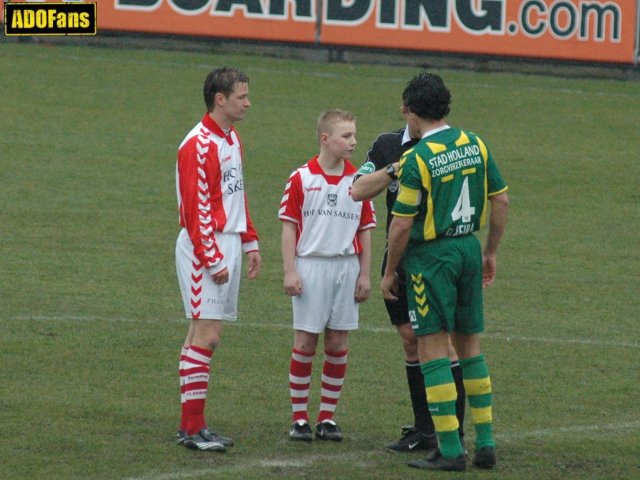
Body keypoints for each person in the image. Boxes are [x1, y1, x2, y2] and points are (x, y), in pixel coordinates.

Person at [380, 72, 509, 472]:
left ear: (414, 112)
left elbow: (401, 224)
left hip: (431, 257)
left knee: (432, 349)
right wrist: (489, 252)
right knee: (470, 346)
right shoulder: (476, 143)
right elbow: (501, 201)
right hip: (469, 249)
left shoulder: (416, 158)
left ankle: (451, 450)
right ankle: (485, 443)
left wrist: (389, 272)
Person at [352, 121, 467, 452]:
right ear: (406, 110)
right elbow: (358, 188)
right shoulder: (387, 145)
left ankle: (453, 434)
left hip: (435, 258)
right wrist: (396, 169)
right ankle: (424, 428)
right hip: (399, 258)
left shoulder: (450, 148)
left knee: (442, 345)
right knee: (410, 341)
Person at [174, 67, 262, 452]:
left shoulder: (231, 138)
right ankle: (194, 430)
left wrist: (249, 241)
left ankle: (191, 425)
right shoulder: (197, 145)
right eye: (241, 96)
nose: (248, 102)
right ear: (220, 99)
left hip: (226, 242)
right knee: (206, 336)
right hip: (203, 249)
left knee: (202, 335)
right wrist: (212, 259)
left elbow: (235, 194)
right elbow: (196, 210)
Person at [279, 109, 376, 442]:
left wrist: (364, 275)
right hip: (312, 266)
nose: (354, 142)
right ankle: (300, 418)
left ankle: (327, 418)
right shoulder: (301, 178)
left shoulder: (359, 182)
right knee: (305, 342)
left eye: (354, 135)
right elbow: (289, 226)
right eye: (346, 136)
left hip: (346, 268)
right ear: (325, 139)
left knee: (337, 342)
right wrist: (290, 269)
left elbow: (365, 231)